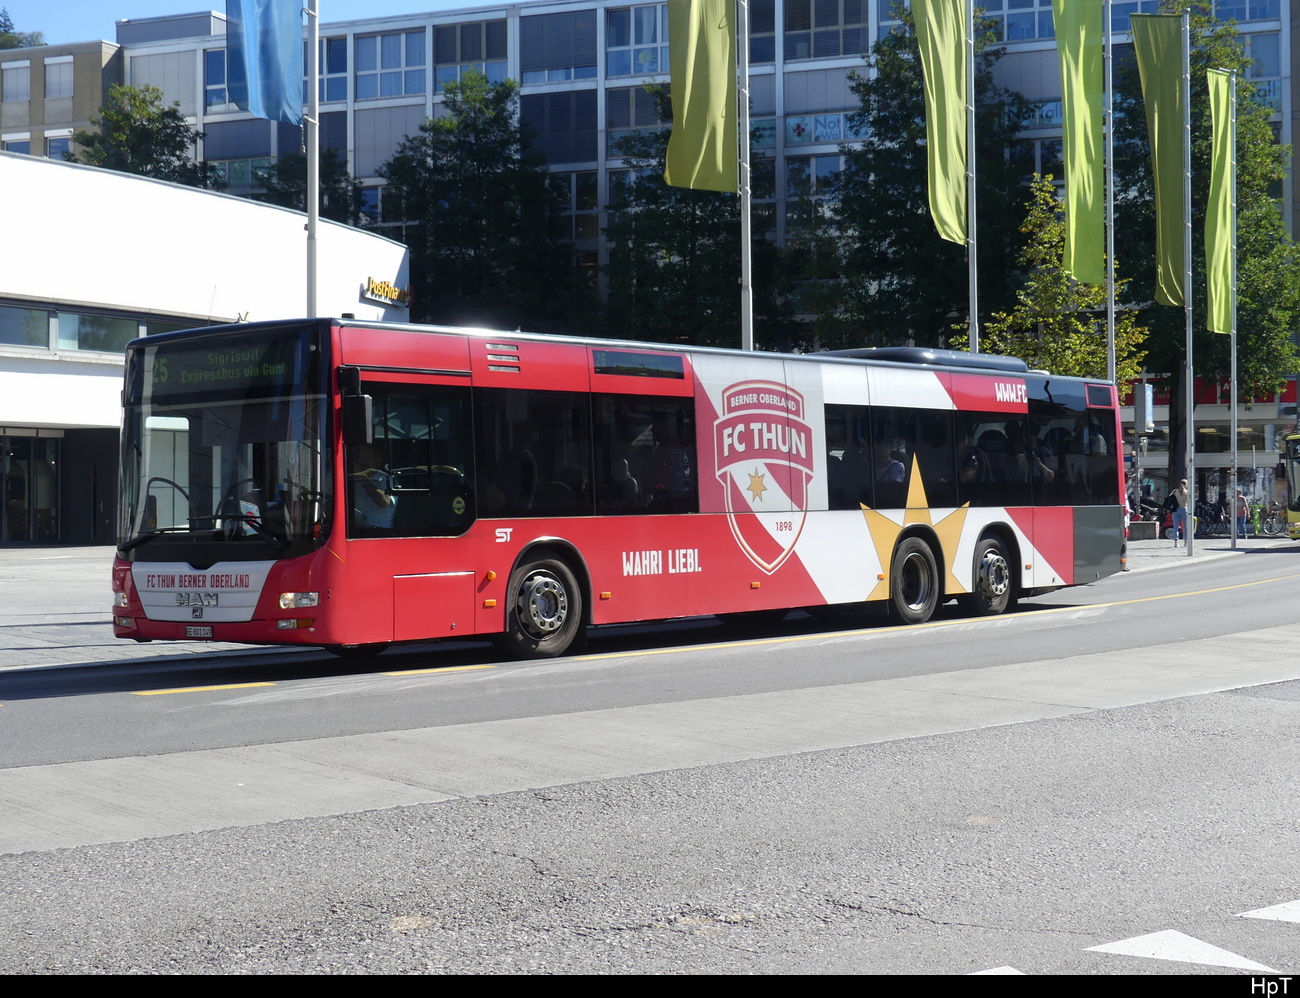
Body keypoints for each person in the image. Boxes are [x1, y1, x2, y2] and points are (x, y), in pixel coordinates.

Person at [348, 442, 396, 531]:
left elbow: (384, 501)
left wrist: (364, 481)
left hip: (379, 531)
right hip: (357, 529)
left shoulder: (386, 478)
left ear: (377, 460)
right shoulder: (353, 479)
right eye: (360, 458)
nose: (363, 462)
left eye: (367, 458)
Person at [1169, 479, 1189, 546]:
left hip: (1175, 510)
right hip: (1183, 509)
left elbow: (1169, 498)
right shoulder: (1187, 493)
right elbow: (1188, 502)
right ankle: (1186, 541)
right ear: (1186, 485)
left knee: (1175, 526)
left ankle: (1176, 542)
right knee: (1185, 526)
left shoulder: (1175, 491)